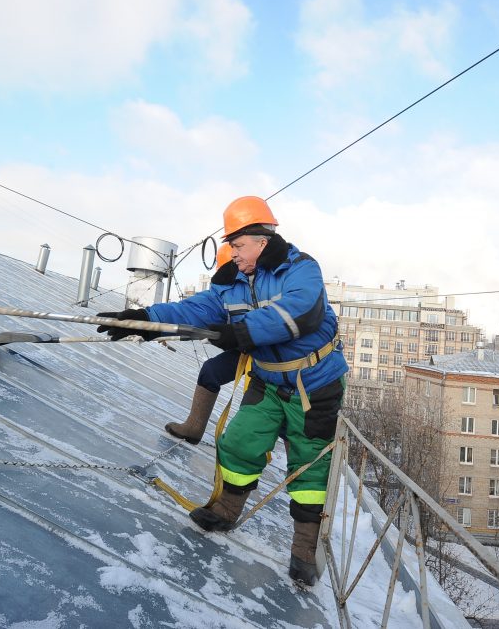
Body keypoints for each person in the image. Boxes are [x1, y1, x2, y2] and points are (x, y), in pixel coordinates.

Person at [97, 196, 347, 586]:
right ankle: (227, 510)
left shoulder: (299, 269)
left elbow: (299, 312)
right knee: (238, 443)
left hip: (314, 386)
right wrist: (145, 320)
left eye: (237, 244)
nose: (231, 252)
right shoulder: (232, 284)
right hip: (266, 381)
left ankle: (303, 549)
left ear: (262, 240)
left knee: (309, 465)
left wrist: (239, 333)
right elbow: (194, 309)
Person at [164, 242, 240, 444]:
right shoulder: (226, 290)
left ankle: (300, 466)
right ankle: (194, 427)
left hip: (274, 355)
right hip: (246, 349)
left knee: (274, 402)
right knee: (211, 371)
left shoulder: (260, 286)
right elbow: (197, 311)